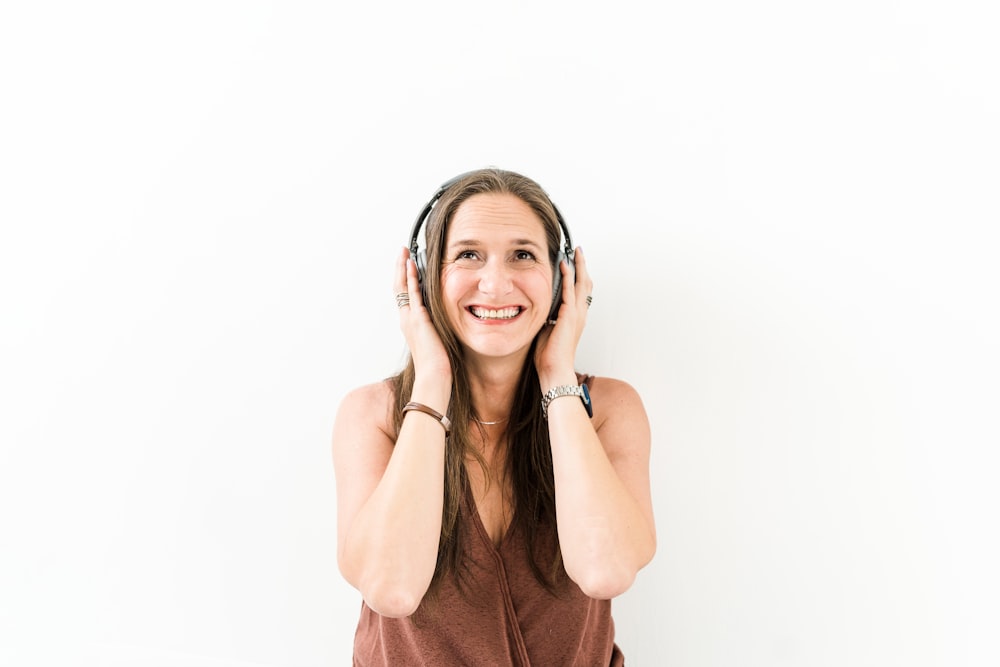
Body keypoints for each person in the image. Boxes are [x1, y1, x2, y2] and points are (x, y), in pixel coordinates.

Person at [332, 168, 656, 666]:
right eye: (468, 255)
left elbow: (604, 571)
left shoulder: (606, 410)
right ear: (423, 276)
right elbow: (390, 589)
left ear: (562, 278)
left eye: (523, 255)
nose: (495, 282)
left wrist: (557, 374)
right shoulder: (374, 416)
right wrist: (433, 381)